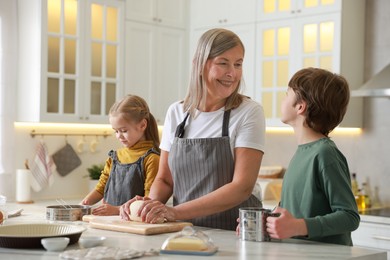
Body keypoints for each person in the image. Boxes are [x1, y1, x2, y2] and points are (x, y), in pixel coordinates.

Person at [119, 28, 265, 230]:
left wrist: (174, 212)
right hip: (185, 232)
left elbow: (242, 187)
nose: (232, 73)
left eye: (238, 64)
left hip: (232, 232)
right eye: (223, 63)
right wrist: (148, 205)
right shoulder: (177, 112)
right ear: (199, 64)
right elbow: (165, 179)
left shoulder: (248, 112)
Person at [265, 67, 360, 245]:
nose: (283, 100)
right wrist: (267, 222)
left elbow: (350, 216)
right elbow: (290, 211)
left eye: (287, 94)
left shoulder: (325, 154)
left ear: (300, 106)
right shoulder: (302, 152)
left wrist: (298, 227)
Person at [81, 94, 160, 216]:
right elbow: (101, 188)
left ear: (142, 125)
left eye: (123, 131)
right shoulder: (115, 157)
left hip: (135, 224)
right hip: (109, 222)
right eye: (116, 131)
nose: (119, 136)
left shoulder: (152, 159)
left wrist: (117, 210)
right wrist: (82, 205)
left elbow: (148, 201)